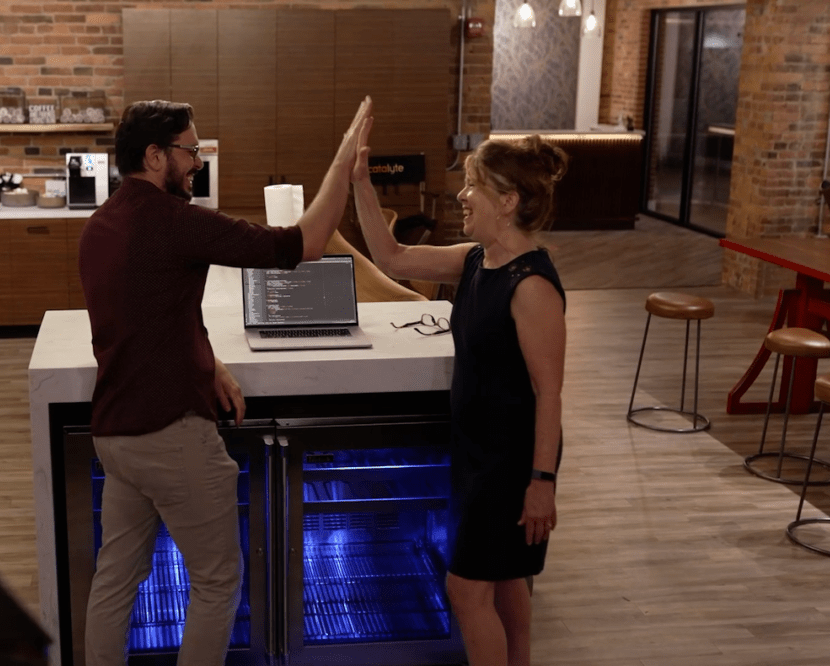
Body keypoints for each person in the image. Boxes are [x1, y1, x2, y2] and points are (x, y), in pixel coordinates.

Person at [79, 96, 372, 666]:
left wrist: (209, 364)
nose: (196, 163)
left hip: (115, 435)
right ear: (155, 154)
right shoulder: (174, 222)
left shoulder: (100, 226)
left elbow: (152, 311)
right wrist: (342, 162)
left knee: (115, 581)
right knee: (216, 582)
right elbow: (302, 245)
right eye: (189, 151)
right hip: (171, 436)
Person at [351, 127, 567, 666]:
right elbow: (392, 255)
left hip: (510, 464)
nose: (462, 196)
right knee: (509, 582)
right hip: (475, 454)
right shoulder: (478, 259)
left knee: (466, 590)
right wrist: (359, 184)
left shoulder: (531, 286)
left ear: (508, 201)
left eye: (473, 186)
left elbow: (550, 395)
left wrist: (542, 483)